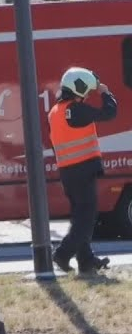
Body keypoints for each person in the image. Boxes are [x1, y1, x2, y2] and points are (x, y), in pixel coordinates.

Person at [49, 66, 117, 276]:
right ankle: (62, 254)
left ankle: (86, 261)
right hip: (82, 169)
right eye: (87, 90)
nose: (88, 95)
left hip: (68, 173)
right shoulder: (76, 110)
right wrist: (105, 92)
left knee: (81, 217)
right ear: (79, 87)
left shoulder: (56, 112)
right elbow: (110, 113)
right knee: (86, 219)